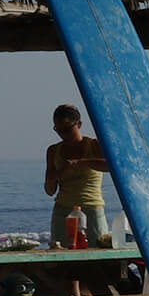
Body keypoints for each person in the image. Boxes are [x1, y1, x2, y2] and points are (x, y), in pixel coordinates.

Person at [43, 104, 111, 247]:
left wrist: (82, 163)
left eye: (67, 130)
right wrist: (60, 172)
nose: (63, 135)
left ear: (79, 124)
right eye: (58, 130)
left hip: (91, 208)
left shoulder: (94, 145)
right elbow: (50, 190)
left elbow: (111, 166)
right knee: (61, 259)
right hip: (63, 211)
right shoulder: (53, 151)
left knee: (99, 257)